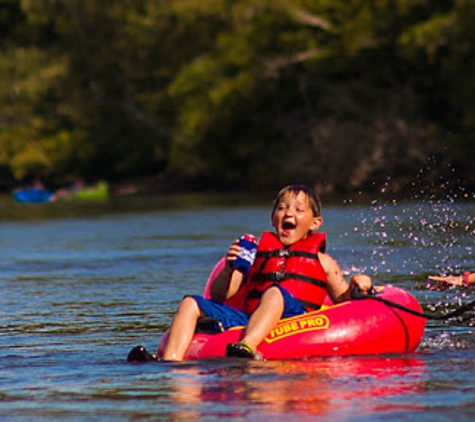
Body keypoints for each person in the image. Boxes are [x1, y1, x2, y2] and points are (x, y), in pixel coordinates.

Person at [157, 184, 372, 361]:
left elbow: (344, 300)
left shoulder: (322, 261)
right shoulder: (254, 255)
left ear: (315, 223)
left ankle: (247, 346)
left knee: (274, 293)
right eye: (282, 208)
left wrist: (358, 284)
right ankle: (170, 361)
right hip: (249, 318)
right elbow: (220, 295)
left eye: (298, 210)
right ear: (272, 218)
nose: (288, 213)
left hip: (298, 320)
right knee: (190, 303)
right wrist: (229, 268)